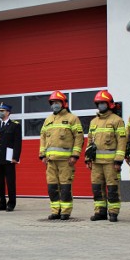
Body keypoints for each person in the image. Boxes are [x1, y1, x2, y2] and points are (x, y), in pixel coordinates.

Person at [39, 91, 83, 220]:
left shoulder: (72, 118)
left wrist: (75, 155)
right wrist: (42, 155)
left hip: (66, 161)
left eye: (57, 102)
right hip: (50, 161)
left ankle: (65, 211)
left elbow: (79, 138)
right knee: (52, 187)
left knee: (65, 187)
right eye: (52, 103)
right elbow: (42, 137)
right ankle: (55, 211)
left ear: (63, 103)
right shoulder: (48, 120)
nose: (54, 105)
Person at [85, 90, 127, 222]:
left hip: (110, 163)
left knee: (112, 188)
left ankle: (113, 212)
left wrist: (118, 160)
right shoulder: (93, 122)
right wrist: (87, 158)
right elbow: (90, 141)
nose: (101, 105)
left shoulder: (117, 121)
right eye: (99, 103)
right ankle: (100, 212)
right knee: (97, 188)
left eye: (103, 103)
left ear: (109, 104)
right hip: (96, 162)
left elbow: (122, 142)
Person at [0, 102, 22, 211]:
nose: (0, 113)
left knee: (10, 181)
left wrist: (16, 157)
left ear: (8, 112)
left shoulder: (15, 125)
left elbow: (18, 143)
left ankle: (11, 203)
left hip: (9, 158)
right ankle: (2, 202)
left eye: (2, 111)